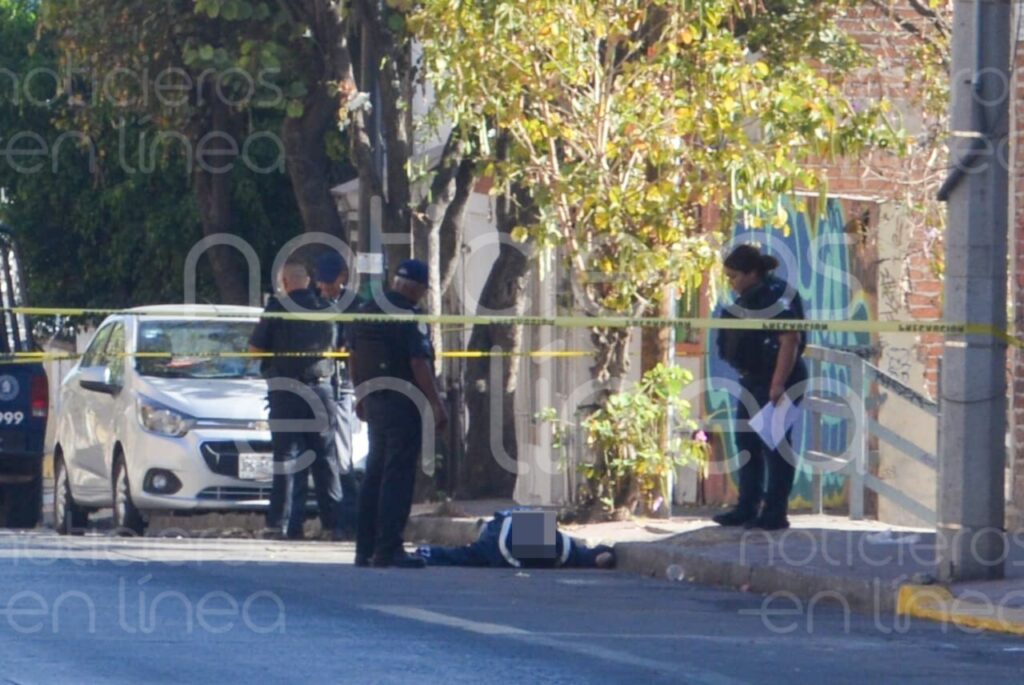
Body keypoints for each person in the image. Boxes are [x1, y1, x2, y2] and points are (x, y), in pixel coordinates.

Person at [347, 259, 449, 568]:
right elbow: (419, 362)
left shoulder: (365, 311)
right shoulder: (410, 315)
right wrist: (436, 403)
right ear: (417, 288)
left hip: (375, 398)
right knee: (397, 475)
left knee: (375, 473)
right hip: (404, 401)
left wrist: (360, 393)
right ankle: (389, 548)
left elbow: (353, 355)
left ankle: (364, 549)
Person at [713, 244, 808, 531]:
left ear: (752, 273)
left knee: (775, 447)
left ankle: (774, 513)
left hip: (779, 379)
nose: (731, 283)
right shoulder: (747, 298)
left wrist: (778, 384)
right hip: (753, 378)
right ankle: (746, 507)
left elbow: (788, 340)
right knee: (747, 443)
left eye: (734, 277)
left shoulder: (775, 295)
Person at [249, 261, 342, 540]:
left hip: (286, 391)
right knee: (326, 460)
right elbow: (338, 347)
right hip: (321, 390)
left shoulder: (277, 308)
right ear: (308, 280)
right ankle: (333, 526)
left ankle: (278, 524)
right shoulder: (328, 309)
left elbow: (255, 350)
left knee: (286, 458)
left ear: (286, 283)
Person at [314, 251, 362, 538]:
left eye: (330, 283)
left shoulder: (354, 305)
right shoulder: (314, 303)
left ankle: (350, 521)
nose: (325, 288)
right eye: (321, 282)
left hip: (342, 385)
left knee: (343, 456)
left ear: (342, 278)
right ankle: (332, 520)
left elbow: (355, 344)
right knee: (322, 455)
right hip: (319, 385)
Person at [415, 509, 616, 569]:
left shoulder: (489, 538)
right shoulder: (499, 523)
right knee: (575, 554)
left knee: (465, 556)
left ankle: (598, 555)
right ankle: (600, 555)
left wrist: (427, 553)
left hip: (514, 537)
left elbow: (457, 555)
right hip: (532, 529)